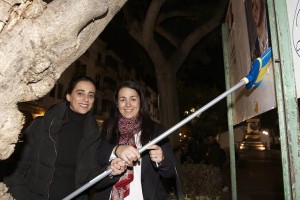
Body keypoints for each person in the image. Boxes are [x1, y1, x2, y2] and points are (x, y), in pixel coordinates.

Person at [3, 76, 126, 200]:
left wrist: (110, 171)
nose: (86, 99)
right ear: (68, 96)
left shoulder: (94, 135)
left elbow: (89, 179)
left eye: (91, 95)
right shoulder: (43, 125)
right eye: (80, 93)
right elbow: (15, 169)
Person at [92, 80, 179, 200]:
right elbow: (97, 162)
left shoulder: (156, 131)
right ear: (117, 103)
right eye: (123, 99)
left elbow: (171, 173)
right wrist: (116, 151)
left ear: (140, 102)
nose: (128, 105)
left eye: (133, 99)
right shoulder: (107, 128)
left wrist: (161, 160)